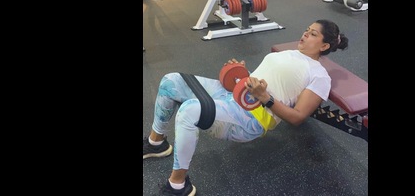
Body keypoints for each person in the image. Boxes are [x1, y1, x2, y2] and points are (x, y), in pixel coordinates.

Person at [143, 19, 349, 196]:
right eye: (307, 29)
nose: (305, 34)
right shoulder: (289, 53)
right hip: (236, 95)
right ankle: (156, 143)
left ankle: (178, 185)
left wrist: (265, 98)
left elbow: (297, 117)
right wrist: (239, 73)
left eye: (313, 34)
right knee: (171, 81)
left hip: (251, 118)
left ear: (324, 46)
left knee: (189, 111)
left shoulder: (320, 76)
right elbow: (261, 79)